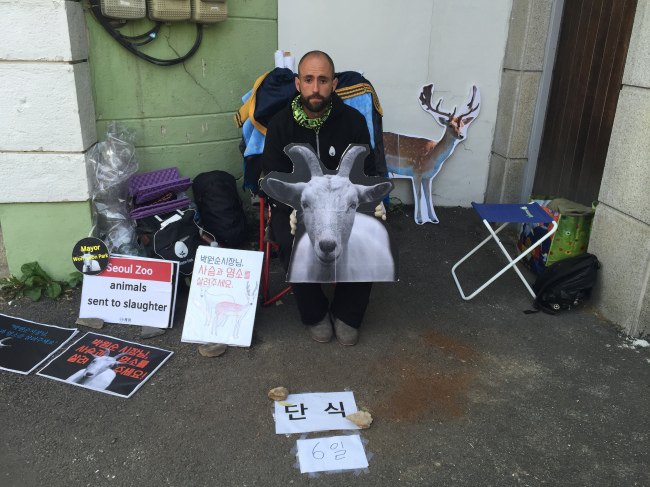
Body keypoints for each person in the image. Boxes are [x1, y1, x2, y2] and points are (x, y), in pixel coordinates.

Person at [261, 50, 386, 346]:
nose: (315, 88)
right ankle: (314, 313)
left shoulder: (353, 121)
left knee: (368, 232)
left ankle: (347, 313)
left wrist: (371, 200)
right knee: (290, 237)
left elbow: (366, 170)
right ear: (297, 83)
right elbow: (269, 176)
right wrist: (290, 206)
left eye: (322, 80)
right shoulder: (280, 124)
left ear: (334, 83)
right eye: (308, 80)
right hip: (295, 205)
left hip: (343, 203)